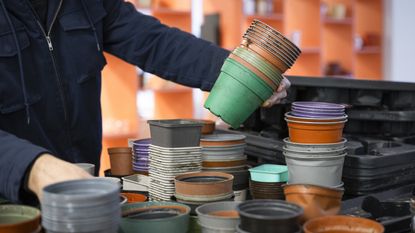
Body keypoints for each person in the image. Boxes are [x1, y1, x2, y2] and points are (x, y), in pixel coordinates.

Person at [0, 0, 290, 204]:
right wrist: (33, 168)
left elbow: (154, 42)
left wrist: (240, 73)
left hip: (82, 190)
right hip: (11, 197)